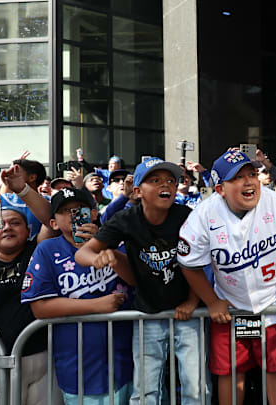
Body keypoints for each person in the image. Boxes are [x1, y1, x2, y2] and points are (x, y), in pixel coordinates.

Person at [177, 150, 276, 405]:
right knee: (231, 372)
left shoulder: (275, 203)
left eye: (252, 174)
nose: (249, 181)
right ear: (220, 188)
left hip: (275, 302)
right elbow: (188, 264)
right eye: (238, 177)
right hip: (231, 306)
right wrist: (211, 301)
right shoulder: (203, 214)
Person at [75, 157, 206, 405]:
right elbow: (83, 253)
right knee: (145, 391)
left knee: (196, 388)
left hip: (189, 312)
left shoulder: (186, 216)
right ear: (137, 191)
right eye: (154, 180)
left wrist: (192, 300)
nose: (164, 185)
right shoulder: (126, 219)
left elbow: (200, 263)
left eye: (170, 180)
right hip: (147, 312)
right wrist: (100, 257)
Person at [21, 188, 133, 405]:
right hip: (79, 366)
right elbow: (40, 307)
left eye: (78, 209)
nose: (73, 215)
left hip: (127, 359)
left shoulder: (117, 241)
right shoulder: (47, 250)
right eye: (65, 211)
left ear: (92, 213)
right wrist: (96, 306)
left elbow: (137, 281)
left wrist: (105, 247)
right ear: (53, 222)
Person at [0, 206, 56, 405]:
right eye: (0, 224)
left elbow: (50, 221)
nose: (7, 228)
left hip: (43, 360)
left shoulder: (36, 251)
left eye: (15, 223)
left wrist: (22, 189)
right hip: (1, 364)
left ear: (29, 231)